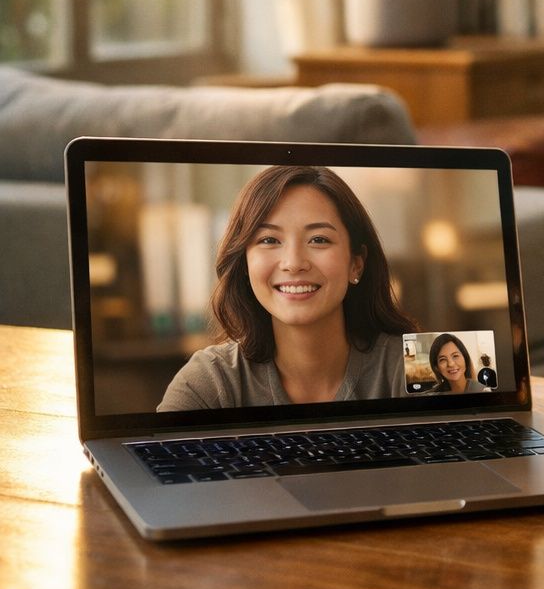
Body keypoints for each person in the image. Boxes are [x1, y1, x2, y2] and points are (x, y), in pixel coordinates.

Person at [158, 166, 417, 411]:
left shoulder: (417, 363)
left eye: (319, 240)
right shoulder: (210, 380)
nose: (293, 263)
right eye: (269, 240)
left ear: (356, 265)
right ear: (245, 264)